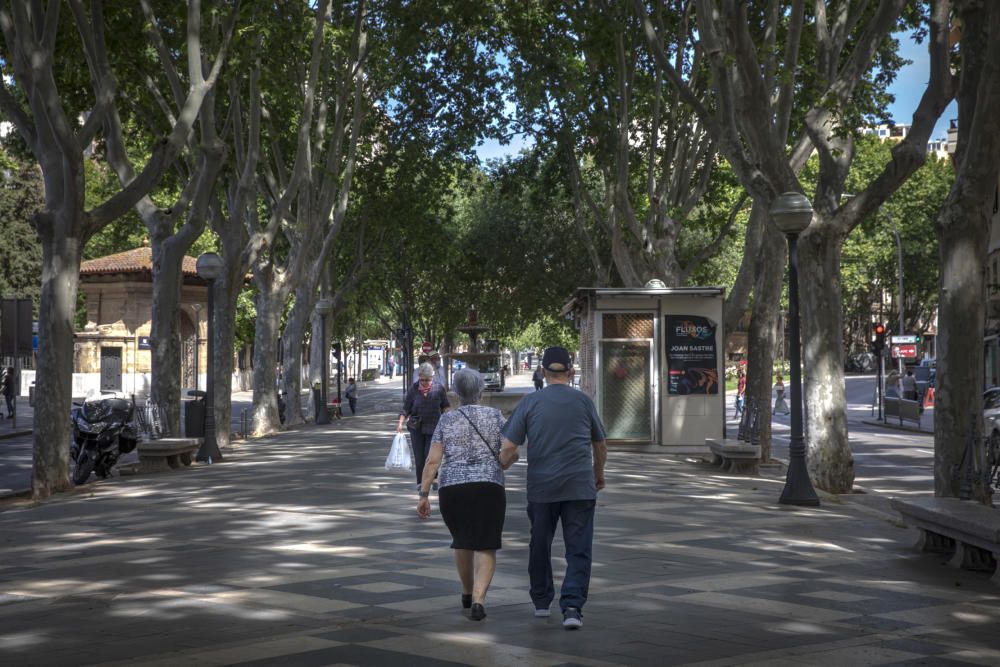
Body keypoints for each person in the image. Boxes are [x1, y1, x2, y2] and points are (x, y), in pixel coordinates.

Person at [500, 346, 607, 630]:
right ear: (570, 372)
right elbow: (600, 444)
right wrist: (599, 474)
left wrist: (500, 467)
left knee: (539, 543)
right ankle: (572, 606)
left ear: (543, 373)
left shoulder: (529, 403)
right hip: (579, 485)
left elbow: (509, 447)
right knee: (579, 547)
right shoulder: (584, 402)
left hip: (542, 487)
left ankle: (541, 601)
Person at [417, 369, 512, 621]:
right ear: (480, 390)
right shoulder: (495, 415)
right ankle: (479, 600)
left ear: (456, 393)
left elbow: (432, 461)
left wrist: (424, 493)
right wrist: (503, 463)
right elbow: (509, 449)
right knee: (486, 543)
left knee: (462, 540)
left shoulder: (446, 420)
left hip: (453, 489)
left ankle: (467, 592)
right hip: (488, 486)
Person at [398, 362, 450, 489]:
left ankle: (434, 478)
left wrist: (447, 421)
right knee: (419, 457)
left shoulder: (439, 388)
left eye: (427, 380)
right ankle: (420, 482)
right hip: (417, 428)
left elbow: (446, 406)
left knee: (430, 456)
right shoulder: (414, 389)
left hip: (434, 427)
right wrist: (400, 423)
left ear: (432, 377)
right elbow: (406, 409)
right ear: (419, 377)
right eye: (422, 380)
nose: (424, 382)